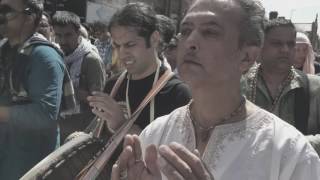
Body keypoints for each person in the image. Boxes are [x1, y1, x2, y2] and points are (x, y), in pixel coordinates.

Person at [111, 0, 320, 179]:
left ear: (247, 56)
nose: (191, 41)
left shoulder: (289, 152)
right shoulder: (155, 135)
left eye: (210, 32)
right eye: (185, 31)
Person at [87, 2, 191, 135]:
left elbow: (175, 150)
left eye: (130, 44)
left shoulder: (178, 94)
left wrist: (121, 124)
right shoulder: (113, 87)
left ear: (154, 39)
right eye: (117, 46)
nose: (122, 54)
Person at [0, 0, 66, 179]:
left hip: (29, 165)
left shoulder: (44, 57)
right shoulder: (5, 51)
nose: (1, 16)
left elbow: (45, 114)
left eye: (6, 11)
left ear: (29, 17)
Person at [243, 18, 320, 155]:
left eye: (290, 44)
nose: (285, 50)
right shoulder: (239, 85)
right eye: (276, 44)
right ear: (261, 46)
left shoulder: (315, 87)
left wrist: (286, 146)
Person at [52, 11, 105, 114]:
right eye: (58, 35)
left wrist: (68, 91)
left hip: (82, 125)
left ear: (78, 33)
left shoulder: (91, 60)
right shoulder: (55, 54)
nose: (63, 41)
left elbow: (98, 100)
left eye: (68, 35)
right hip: (59, 121)